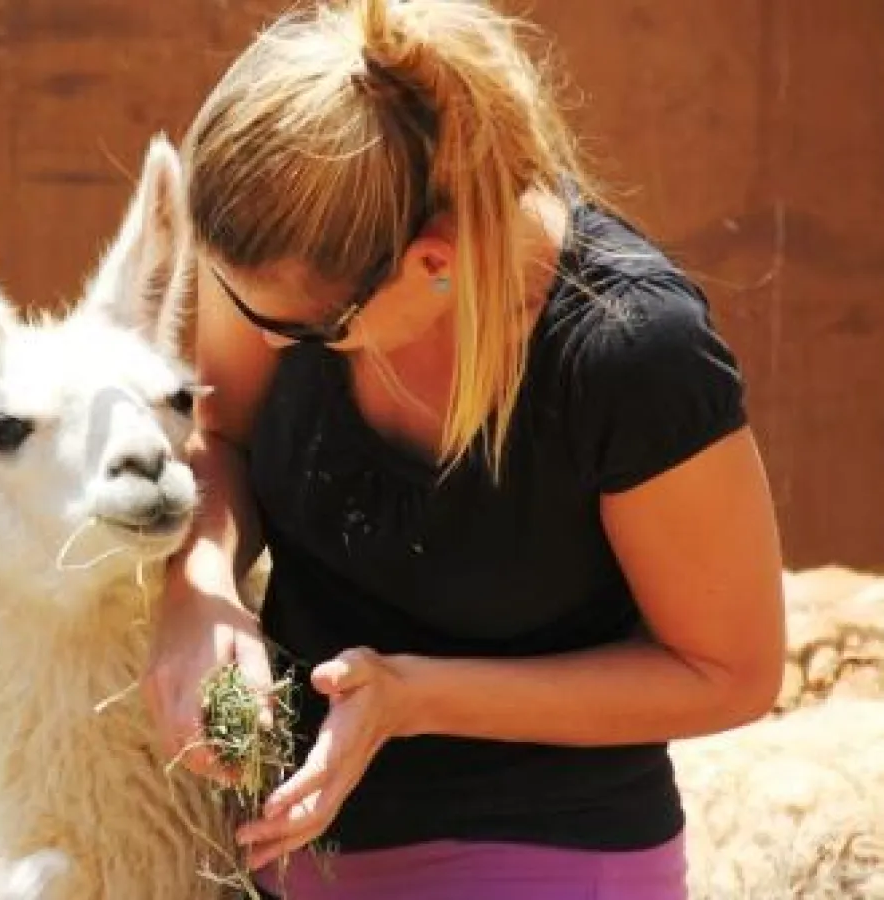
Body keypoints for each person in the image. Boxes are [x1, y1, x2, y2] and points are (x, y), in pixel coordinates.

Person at [143, 1, 786, 897]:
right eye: (242, 305)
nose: (272, 346)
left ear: (430, 263)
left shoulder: (633, 355)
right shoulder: (283, 260)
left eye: (308, 328)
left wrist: (411, 699)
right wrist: (199, 592)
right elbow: (222, 436)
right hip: (281, 846)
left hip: (540, 843)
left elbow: (729, 673)